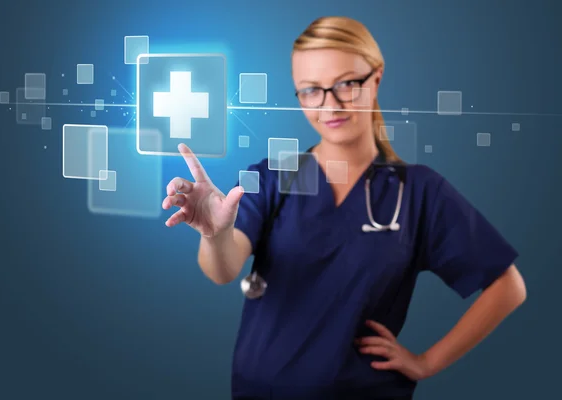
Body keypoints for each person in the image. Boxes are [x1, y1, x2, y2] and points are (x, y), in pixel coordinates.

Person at [162, 16, 527, 400]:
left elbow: (508, 286)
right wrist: (215, 235)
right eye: (310, 91)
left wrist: (427, 362)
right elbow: (223, 269)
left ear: (377, 78)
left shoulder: (418, 191)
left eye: (347, 85)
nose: (329, 104)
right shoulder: (276, 175)